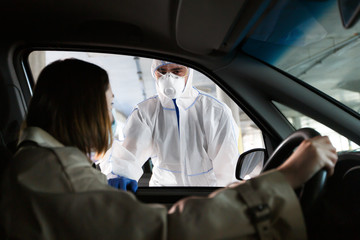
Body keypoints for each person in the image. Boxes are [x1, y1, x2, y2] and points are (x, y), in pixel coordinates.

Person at [0, 59, 338, 239]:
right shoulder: (59, 174)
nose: (109, 120)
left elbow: (223, 169)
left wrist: (229, 191)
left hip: (206, 189)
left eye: (176, 70)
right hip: (170, 189)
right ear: (84, 110)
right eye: (108, 107)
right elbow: (160, 225)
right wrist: (287, 176)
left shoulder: (213, 110)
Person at [100, 60, 240, 187]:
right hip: (164, 193)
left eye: (176, 71)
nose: (168, 78)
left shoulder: (214, 111)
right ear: (154, 73)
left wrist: (225, 196)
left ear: (188, 73)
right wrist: (119, 175)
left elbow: (227, 165)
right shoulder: (146, 112)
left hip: (205, 193)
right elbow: (130, 153)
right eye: (162, 72)